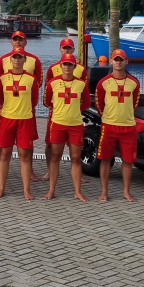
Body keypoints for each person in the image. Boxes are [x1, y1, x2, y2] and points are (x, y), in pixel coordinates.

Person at [0, 30, 44, 180]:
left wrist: (25, 97)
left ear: (25, 42)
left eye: (20, 39)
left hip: (26, 106)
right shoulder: (2, 60)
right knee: (2, 141)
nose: (17, 42)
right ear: (11, 42)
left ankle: (31, 170)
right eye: (15, 39)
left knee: (28, 140)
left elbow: (38, 81)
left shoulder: (34, 60)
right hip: (8, 107)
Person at [43, 53, 91, 201]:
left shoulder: (81, 84)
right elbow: (46, 101)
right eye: (64, 64)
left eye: (70, 64)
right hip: (58, 123)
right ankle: (51, 190)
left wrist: (74, 111)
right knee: (55, 156)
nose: (67, 67)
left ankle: (77, 191)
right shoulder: (53, 83)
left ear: (74, 66)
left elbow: (87, 103)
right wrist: (59, 109)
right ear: (60, 65)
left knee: (76, 158)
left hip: (75, 125)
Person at [95, 49, 140, 202]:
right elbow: (99, 104)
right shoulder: (104, 83)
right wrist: (108, 116)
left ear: (126, 61)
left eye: (122, 59)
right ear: (111, 61)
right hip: (109, 126)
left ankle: (126, 191)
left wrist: (125, 115)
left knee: (128, 160)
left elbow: (134, 103)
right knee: (105, 159)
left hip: (128, 127)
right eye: (116, 59)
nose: (119, 62)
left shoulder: (134, 82)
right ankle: (104, 192)